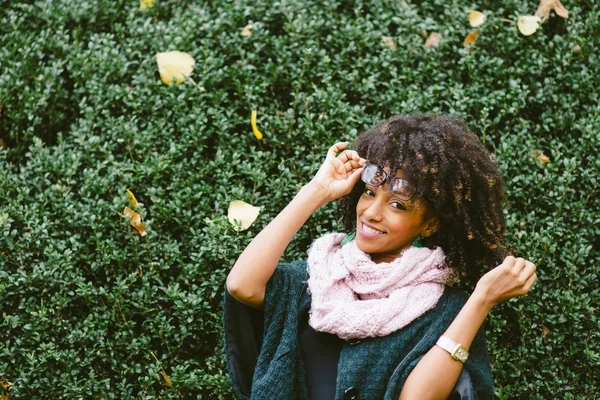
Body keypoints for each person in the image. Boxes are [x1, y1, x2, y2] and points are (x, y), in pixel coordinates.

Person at [223, 114, 537, 400]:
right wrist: (318, 189)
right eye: (370, 192)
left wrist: (481, 300)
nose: (372, 213)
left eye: (398, 205)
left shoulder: (448, 312)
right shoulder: (316, 279)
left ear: (429, 224)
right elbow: (242, 285)